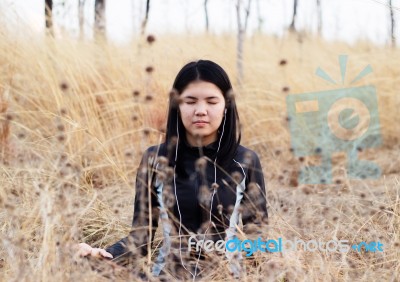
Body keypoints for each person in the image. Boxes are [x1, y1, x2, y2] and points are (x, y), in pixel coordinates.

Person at [76, 60, 268, 280]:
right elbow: (141, 237)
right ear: (177, 105)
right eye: (190, 101)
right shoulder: (156, 159)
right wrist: (104, 254)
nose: (201, 111)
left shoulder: (245, 160)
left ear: (226, 106)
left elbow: (258, 239)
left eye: (212, 101)